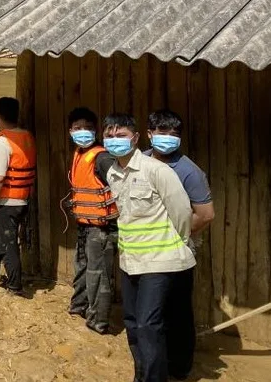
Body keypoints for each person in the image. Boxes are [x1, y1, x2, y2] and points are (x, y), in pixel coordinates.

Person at [103, 113, 195, 382]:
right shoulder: (113, 172)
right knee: (132, 322)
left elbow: (182, 214)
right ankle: (142, 374)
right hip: (131, 259)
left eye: (121, 135)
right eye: (109, 135)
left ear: (135, 137)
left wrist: (174, 242)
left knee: (148, 324)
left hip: (160, 259)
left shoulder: (158, 171)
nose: (114, 140)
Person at [145, 110, 214, 380]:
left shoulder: (188, 171)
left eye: (174, 134)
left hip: (177, 248)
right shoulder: (139, 161)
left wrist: (177, 237)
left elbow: (205, 214)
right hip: (144, 248)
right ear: (149, 134)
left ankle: (180, 367)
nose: (168, 138)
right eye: (162, 132)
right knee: (152, 312)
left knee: (177, 309)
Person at [65, 107, 118, 334]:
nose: (83, 132)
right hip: (85, 223)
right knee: (82, 267)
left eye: (87, 128)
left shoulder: (102, 158)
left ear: (95, 131)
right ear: (70, 131)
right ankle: (79, 306)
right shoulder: (78, 154)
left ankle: (98, 320)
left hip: (102, 228)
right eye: (78, 128)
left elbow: (120, 188)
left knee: (99, 274)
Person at [0, 97, 35, 296]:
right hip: (23, 197)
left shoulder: (3, 141)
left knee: (8, 243)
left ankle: (15, 286)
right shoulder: (27, 136)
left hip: (7, 200)